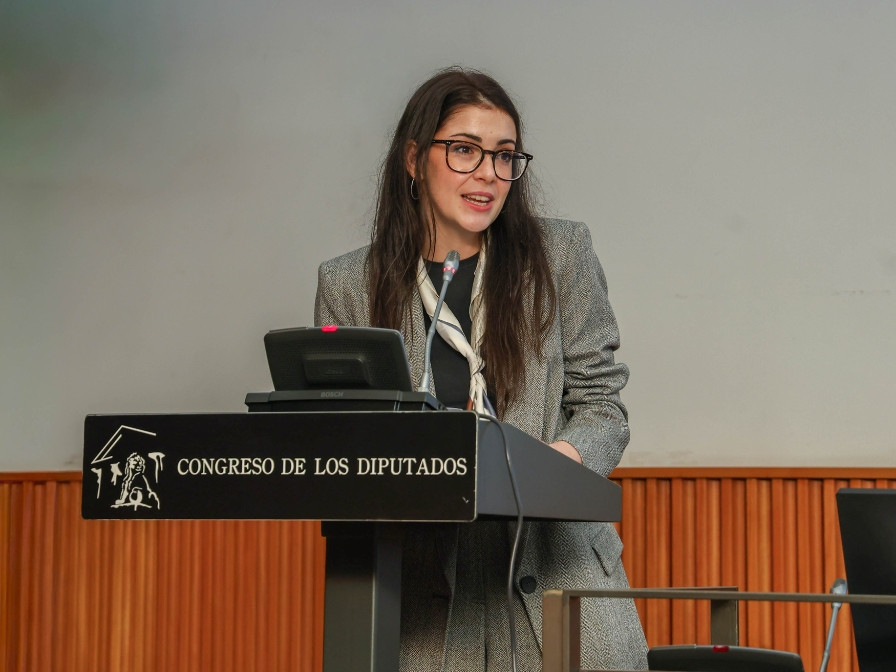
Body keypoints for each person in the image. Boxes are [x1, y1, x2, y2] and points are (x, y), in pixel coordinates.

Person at [314, 67, 648, 671]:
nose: (488, 175)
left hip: (558, 585)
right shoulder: (348, 286)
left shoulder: (560, 256)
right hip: (429, 606)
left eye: (504, 156)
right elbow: (350, 443)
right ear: (415, 159)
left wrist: (549, 468)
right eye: (465, 151)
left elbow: (603, 406)